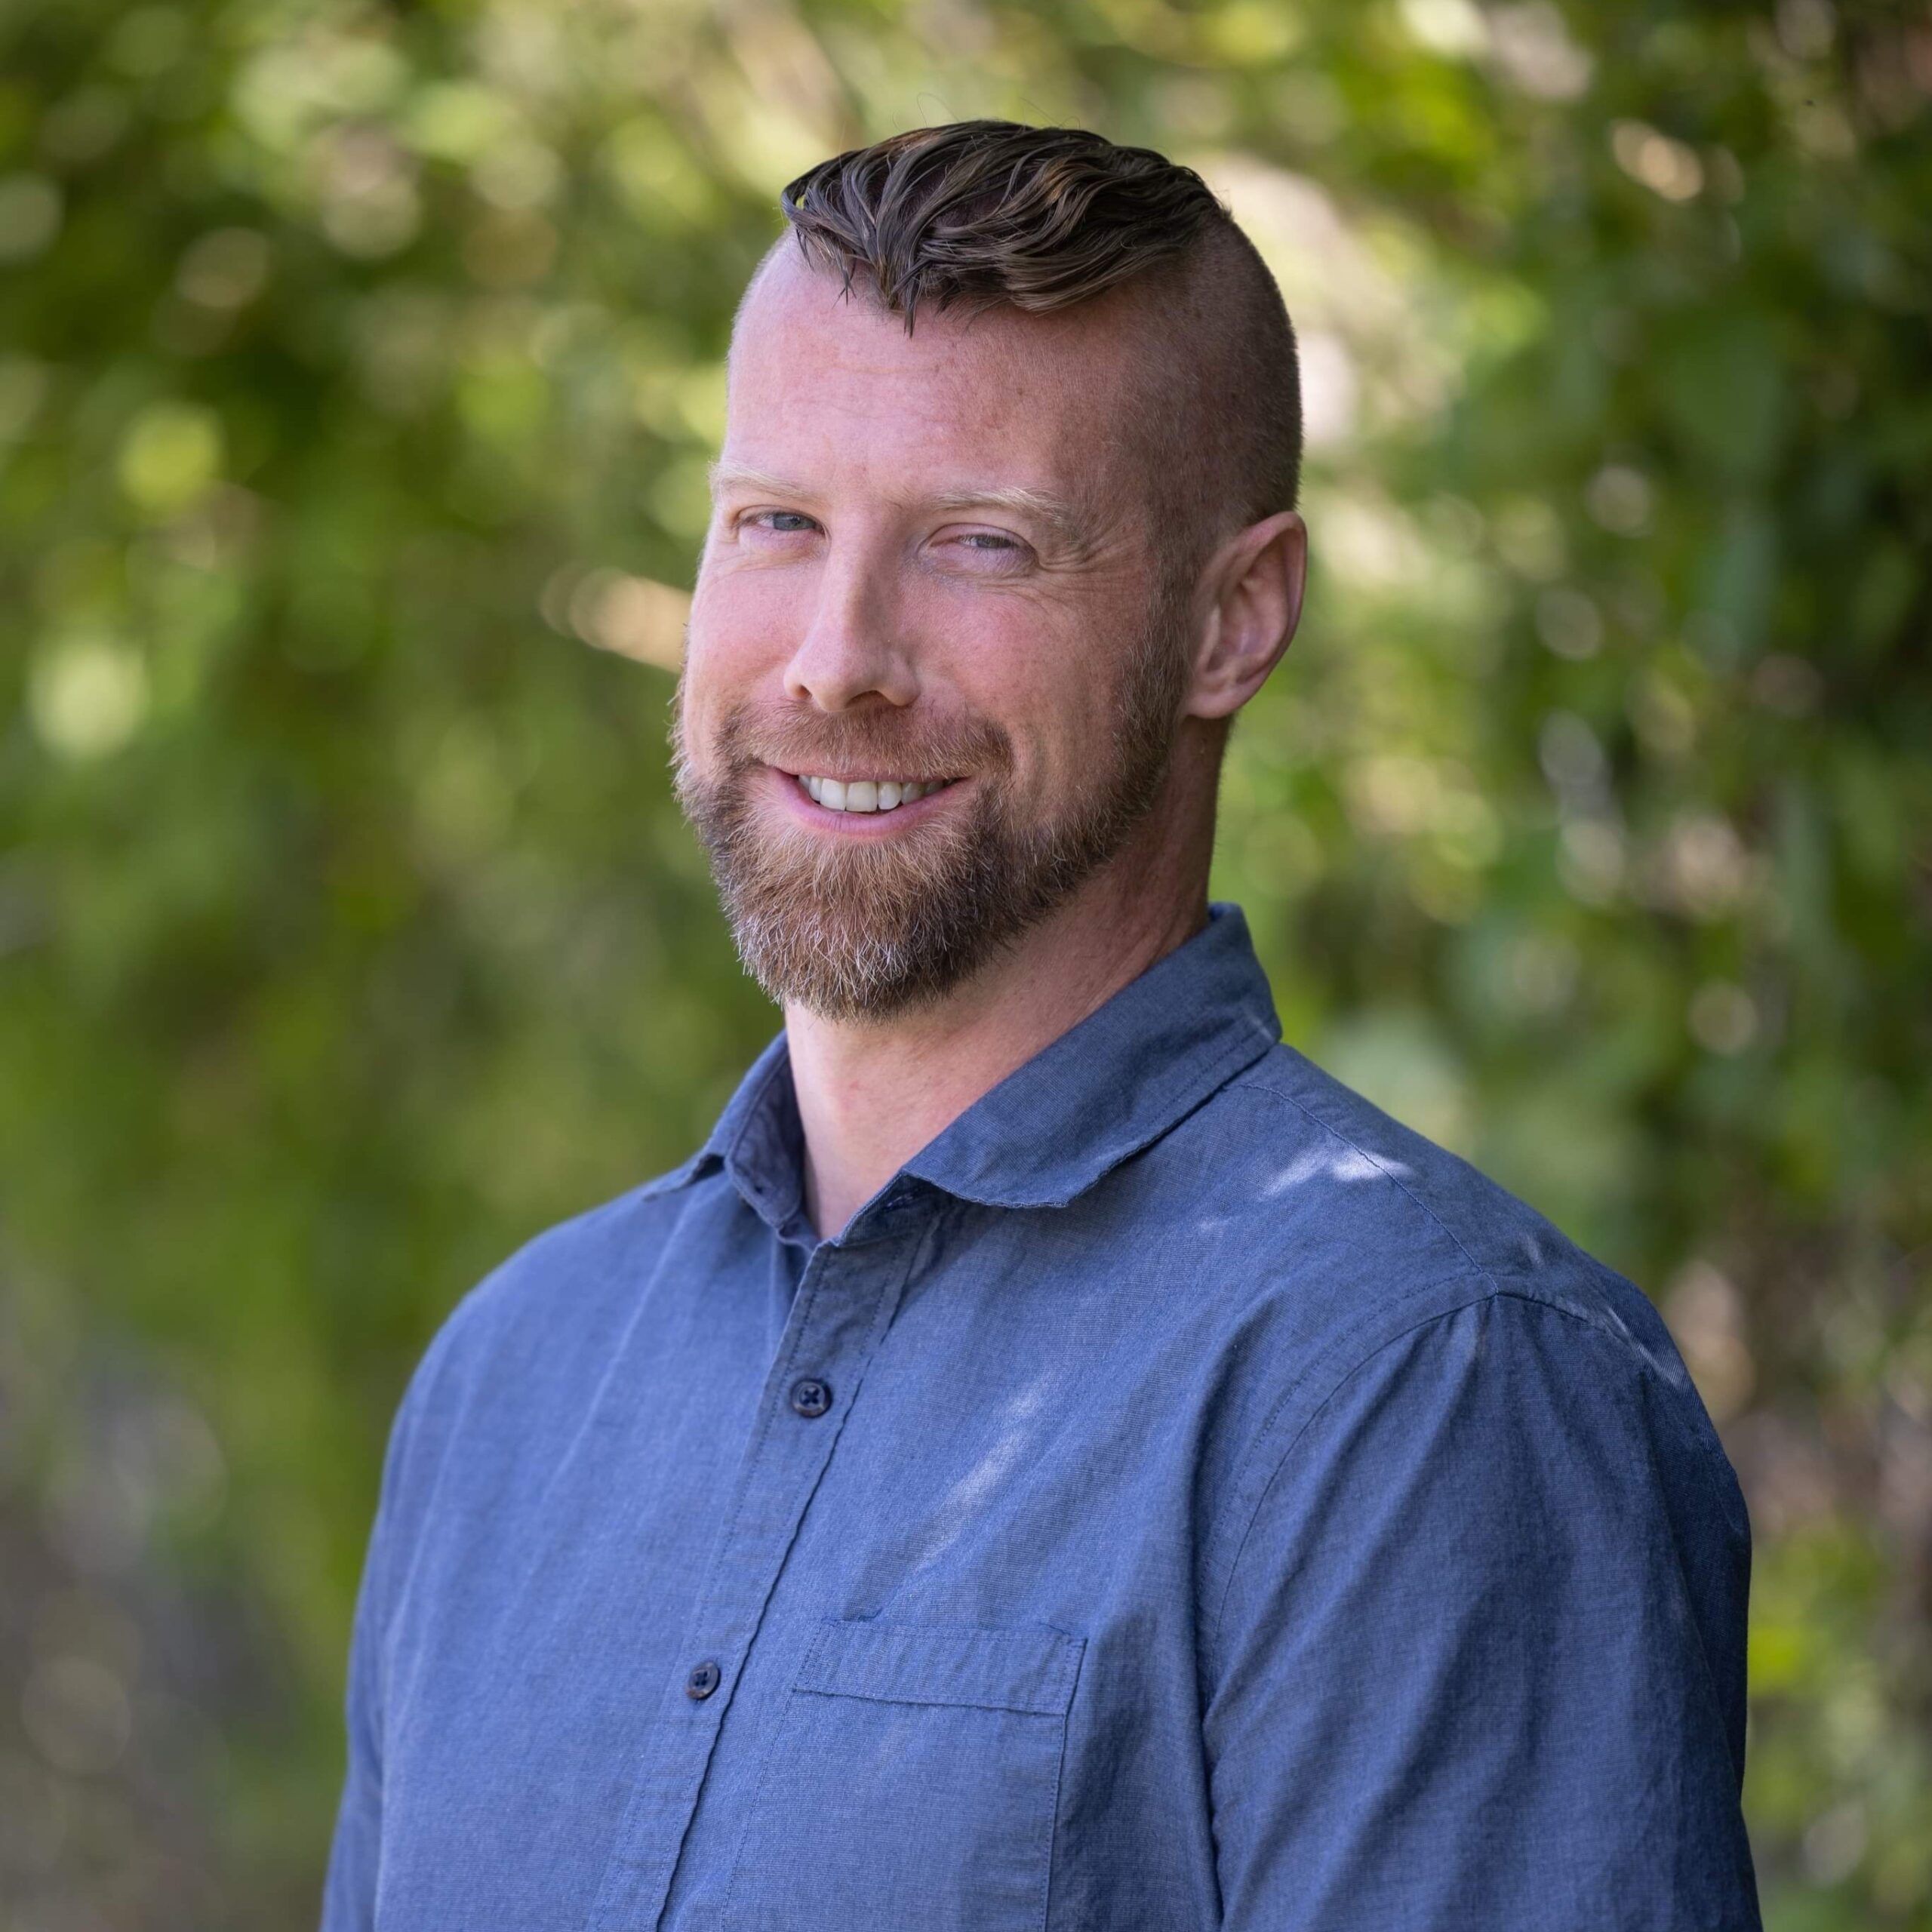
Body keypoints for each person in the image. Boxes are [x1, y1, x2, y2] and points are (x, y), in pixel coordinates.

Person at [321, 121, 1761, 1931]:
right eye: (774, 522)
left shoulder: (1421, 1390)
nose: (837, 655)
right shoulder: (511, 1382)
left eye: (978, 544)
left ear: (1230, 621)